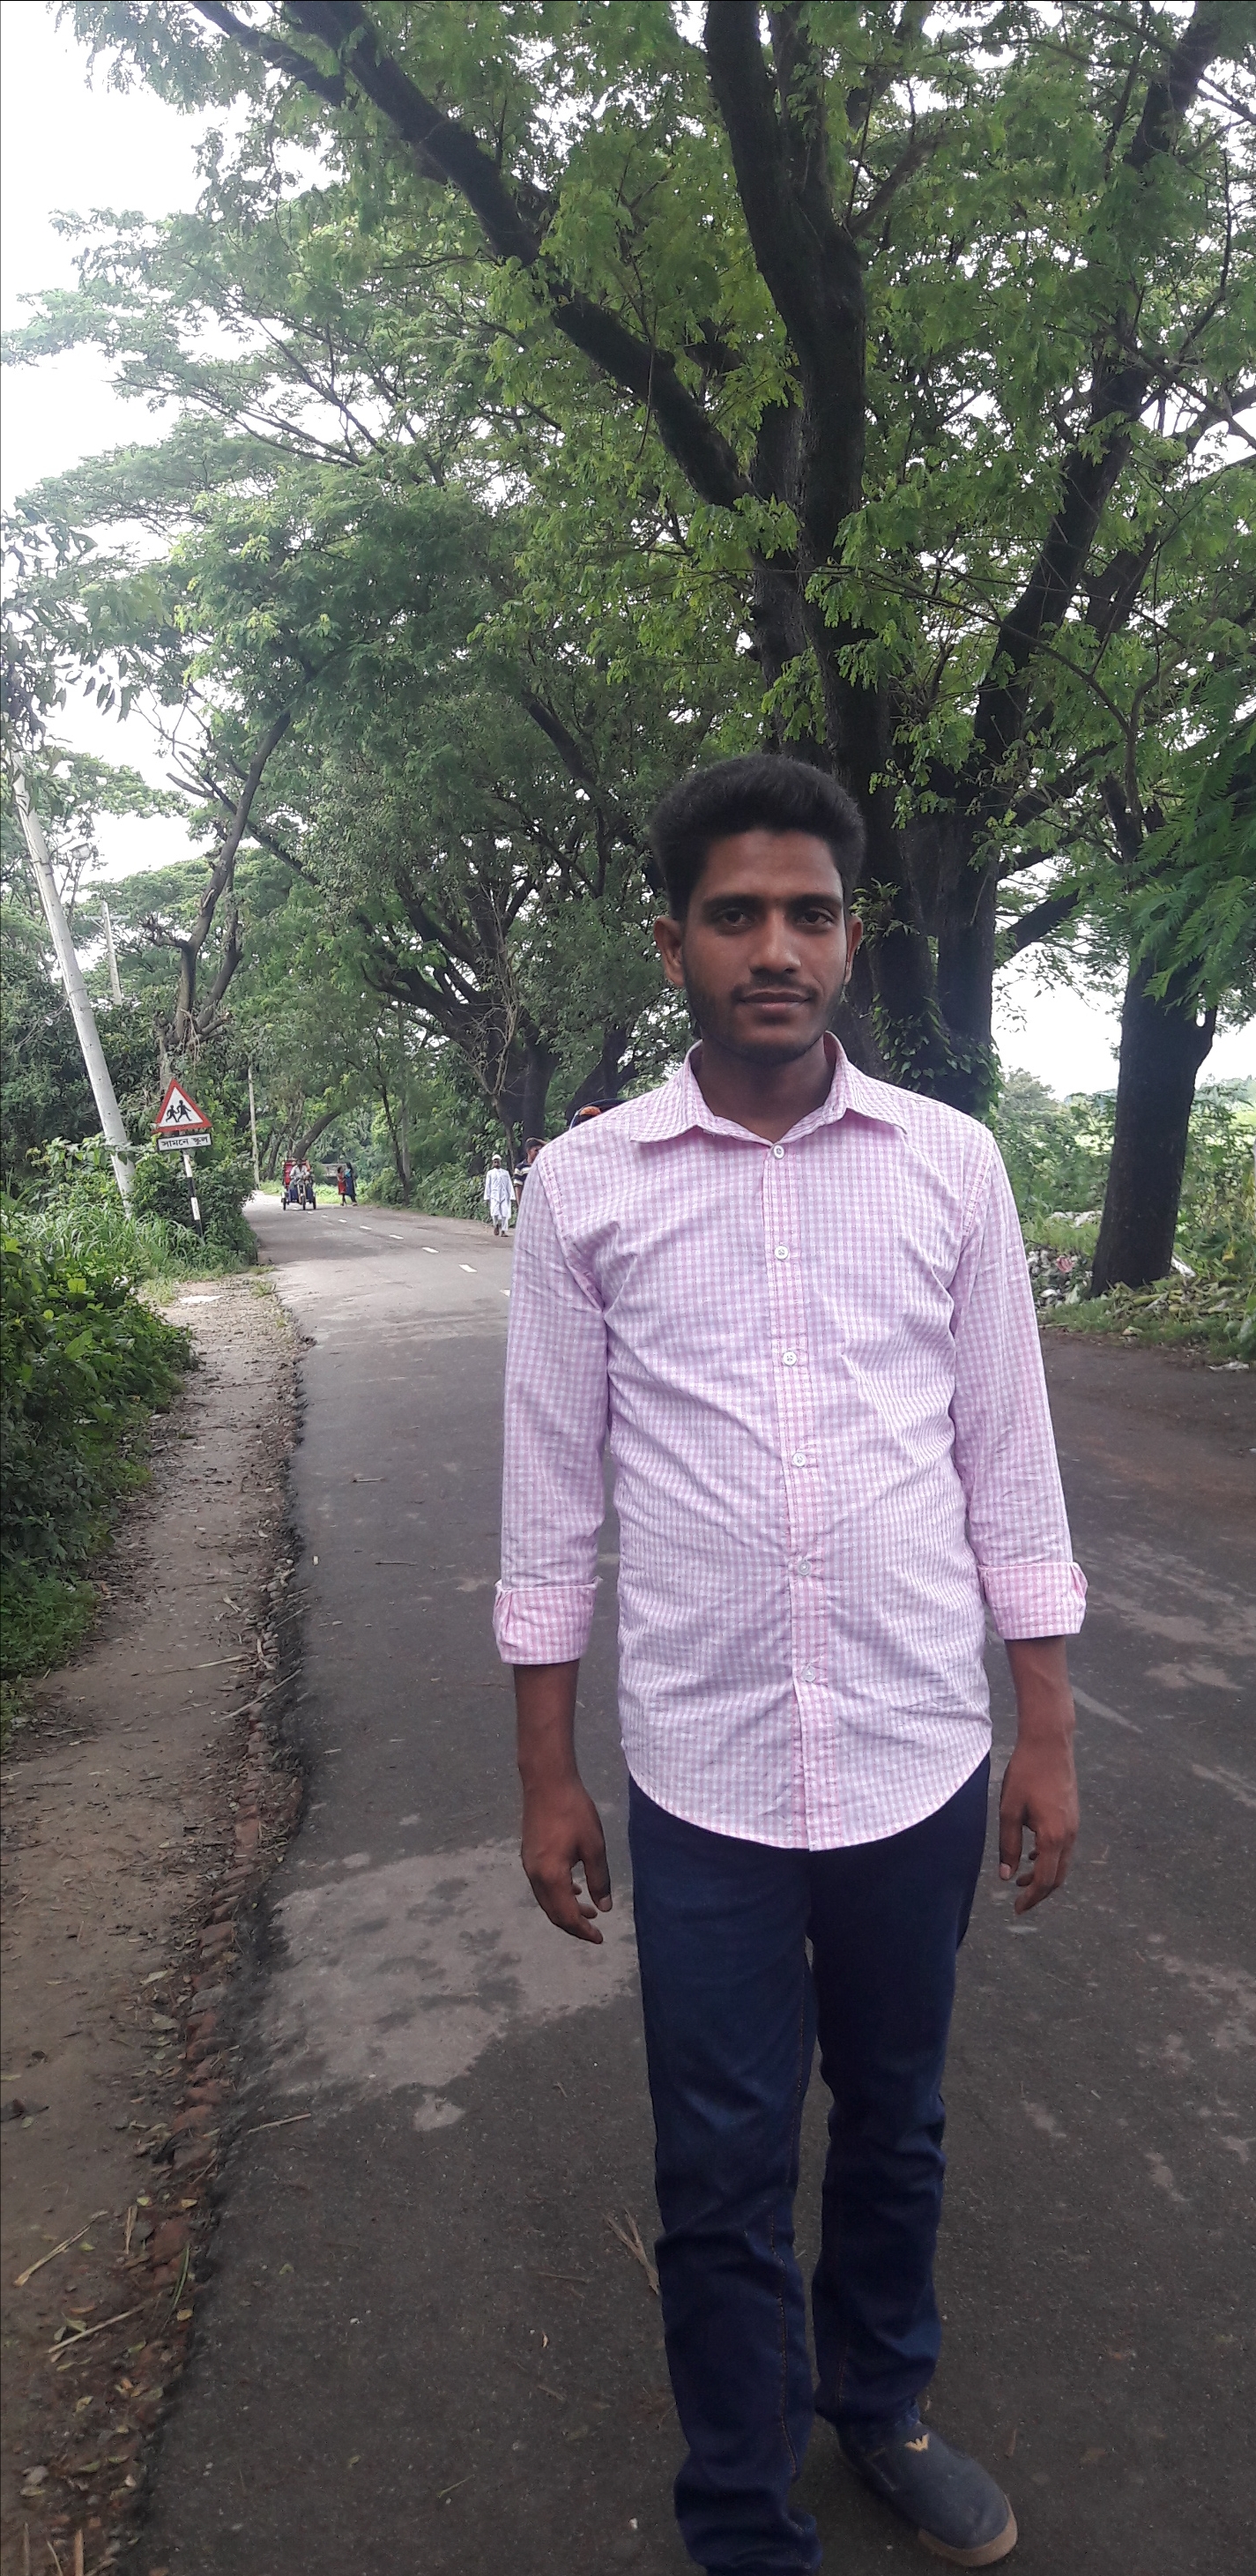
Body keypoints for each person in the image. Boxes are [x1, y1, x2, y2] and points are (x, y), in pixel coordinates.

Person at [495, 755, 1084, 2574]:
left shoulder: (949, 1167)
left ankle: (880, 2404)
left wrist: (1045, 1732)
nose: (776, 948)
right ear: (671, 941)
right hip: (708, 1774)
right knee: (721, 2161)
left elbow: (1007, 1460)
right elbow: (550, 1501)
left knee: (897, 2123)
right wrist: (546, 1773)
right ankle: (742, 2516)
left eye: (809, 914)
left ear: (849, 936)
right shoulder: (586, 1187)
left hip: (914, 1751)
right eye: (736, 914)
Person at [483, 1152, 516, 1239]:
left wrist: (512, 1196)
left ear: (500, 1162)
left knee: (505, 1213)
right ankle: (496, 1225)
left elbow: (509, 1184)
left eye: (498, 1162)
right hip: (494, 1196)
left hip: (504, 1195)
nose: (496, 1163)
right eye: (495, 1162)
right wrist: (487, 1197)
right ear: (493, 1163)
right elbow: (488, 1185)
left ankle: (504, 1230)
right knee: (495, 1213)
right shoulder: (490, 1173)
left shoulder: (505, 1173)